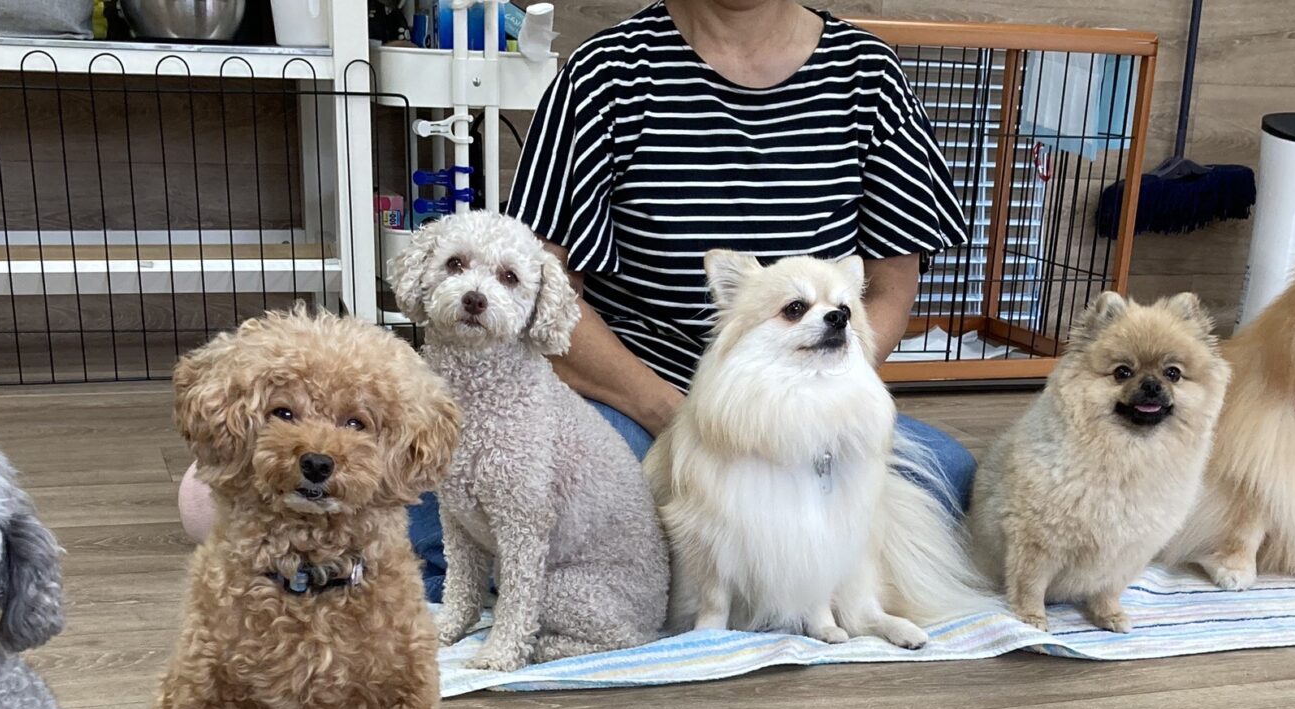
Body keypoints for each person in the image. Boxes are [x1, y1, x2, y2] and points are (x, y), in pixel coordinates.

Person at [179, 0, 979, 601]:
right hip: (638, 398)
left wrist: (825, 405)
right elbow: (544, 293)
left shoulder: (868, 76)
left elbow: (889, 288)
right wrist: (682, 419)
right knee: (486, 499)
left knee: (955, 476)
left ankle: (686, 570)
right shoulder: (607, 73)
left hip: (807, 405)